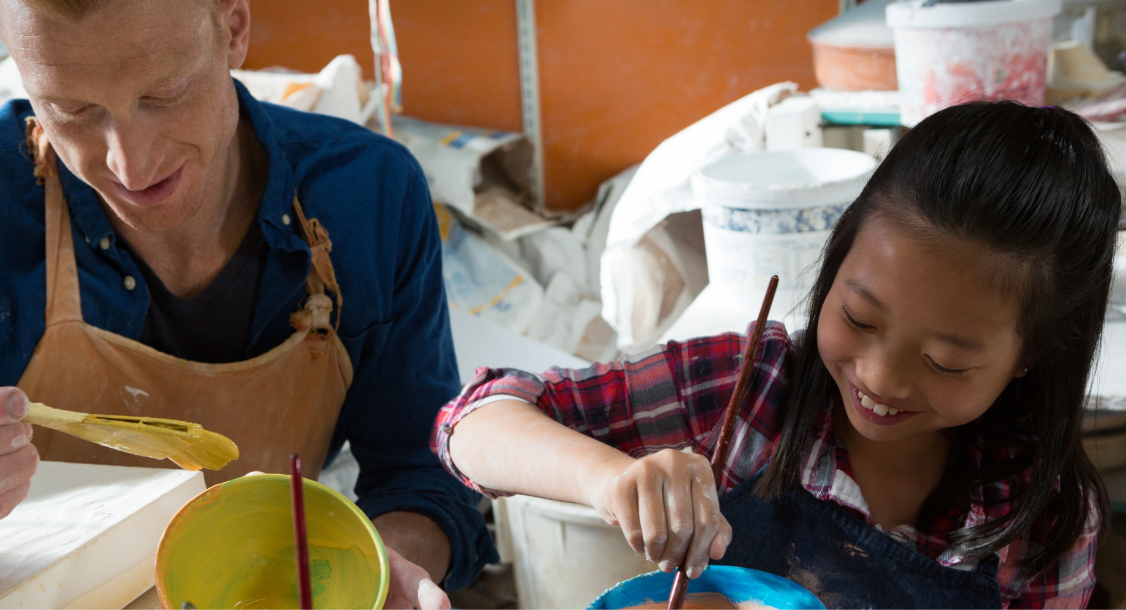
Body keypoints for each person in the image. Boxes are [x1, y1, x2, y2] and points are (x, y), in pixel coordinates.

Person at [433, 102, 1119, 608]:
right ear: (836, 259)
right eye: (857, 316)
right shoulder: (754, 388)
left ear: (1031, 356)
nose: (879, 377)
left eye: (945, 362)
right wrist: (607, 480)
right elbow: (469, 422)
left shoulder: (1045, 511)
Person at [0, 0, 495, 607]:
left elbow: (422, 474)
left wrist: (380, 569)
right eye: (72, 109)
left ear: (233, 25)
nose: (131, 164)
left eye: (166, 92)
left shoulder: (368, 196)